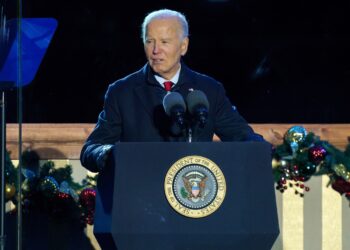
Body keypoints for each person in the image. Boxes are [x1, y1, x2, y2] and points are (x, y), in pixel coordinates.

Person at [80, 9, 264, 173]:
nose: (155, 50)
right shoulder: (121, 92)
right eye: (149, 41)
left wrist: (270, 151)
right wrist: (107, 153)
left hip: (193, 195)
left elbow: (242, 137)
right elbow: (92, 149)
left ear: (183, 46)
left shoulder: (209, 89)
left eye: (164, 42)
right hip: (140, 194)